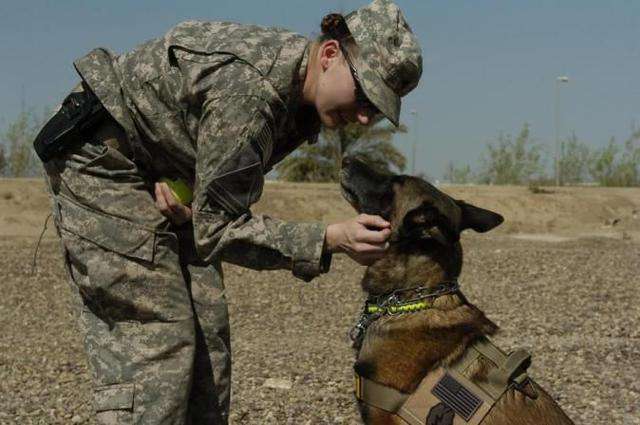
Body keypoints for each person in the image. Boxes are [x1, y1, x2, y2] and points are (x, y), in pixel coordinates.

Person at [38, 0, 422, 423]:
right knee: (158, 337)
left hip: (158, 167)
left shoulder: (302, 99)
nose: (366, 116)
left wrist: (183, 187)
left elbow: (208, 171)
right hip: (100, 163)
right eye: (365, 92)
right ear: (330, 54)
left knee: (208, 340)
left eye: (379, 107)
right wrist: (330, 238)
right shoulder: (254, 93)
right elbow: (218, 230)